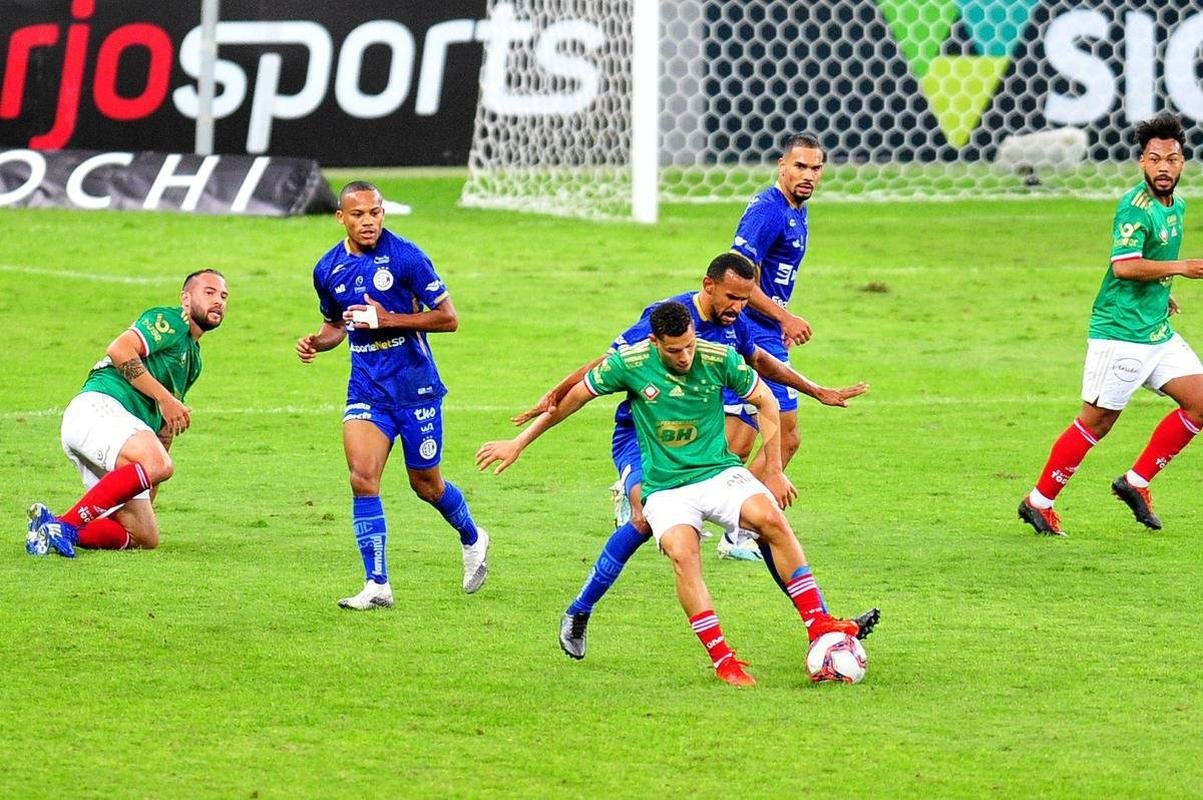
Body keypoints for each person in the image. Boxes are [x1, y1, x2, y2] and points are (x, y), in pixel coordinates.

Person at [478, 301, 879, 686]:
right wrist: (519, 442)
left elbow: (766, 399)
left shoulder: (717, 355)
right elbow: (572, 402)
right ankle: (723, 661)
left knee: (772, 518)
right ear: (655, 344)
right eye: (675, 351)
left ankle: (819, 622)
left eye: (688, 345)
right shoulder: (630, 364)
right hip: (666, 486)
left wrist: (773, 469)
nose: (685, 356)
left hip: (717, 472)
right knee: (683, 554)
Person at [296, 181, 488, 609]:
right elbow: (337, 325)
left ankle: (473, 536)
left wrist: (389, 320)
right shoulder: (327, 269)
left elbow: (448, 319)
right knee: (363, 479)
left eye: (375, 213)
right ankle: (376, 584)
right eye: (359, 214)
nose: (369, 221)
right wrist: (318, 342)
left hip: (416, 389)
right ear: (341, 218)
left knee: (426, 485)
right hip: (366, 389)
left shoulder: (407, 258)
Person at [1018, 113, 1203, 537]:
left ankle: (1135, 483)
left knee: (1200, 402)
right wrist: (1182, 268)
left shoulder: (1178, 205)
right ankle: (1038, 502)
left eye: (1171, 159)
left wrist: (1163, 288)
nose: (1163, 167)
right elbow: (1124, 267)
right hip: (1121, 334)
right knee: (1097, 422)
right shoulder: (1133, 208)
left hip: (1156, 329)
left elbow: (1145, 266)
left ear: (1183, 164)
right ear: (1141, 162)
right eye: (1154, 159)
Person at [25, 270, 230, 558]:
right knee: (161, 464)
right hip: (99, 409)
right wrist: (164, 398)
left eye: (223, 296)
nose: (218, 300)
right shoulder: (172, 320)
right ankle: (65, 527)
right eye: (209, 292)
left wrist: (148, 492)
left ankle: (50, 529)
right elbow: (120, 349)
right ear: (185, 298)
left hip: (117, 432)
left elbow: (164, 430)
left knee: (144, 535)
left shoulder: (193, 360)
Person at [720, 132, 826, 558]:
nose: (808, 175)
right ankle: (738, 529)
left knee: (737, 443)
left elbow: (773, 277)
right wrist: (784, 317)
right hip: (750, 331)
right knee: (785, 435)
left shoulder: (796, 211)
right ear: (782, 166)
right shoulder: (768, 211)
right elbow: (740, 280)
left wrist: (779, 314)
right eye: (800, 166)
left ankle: (644, 493)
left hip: (764, 329)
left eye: (816, 168)